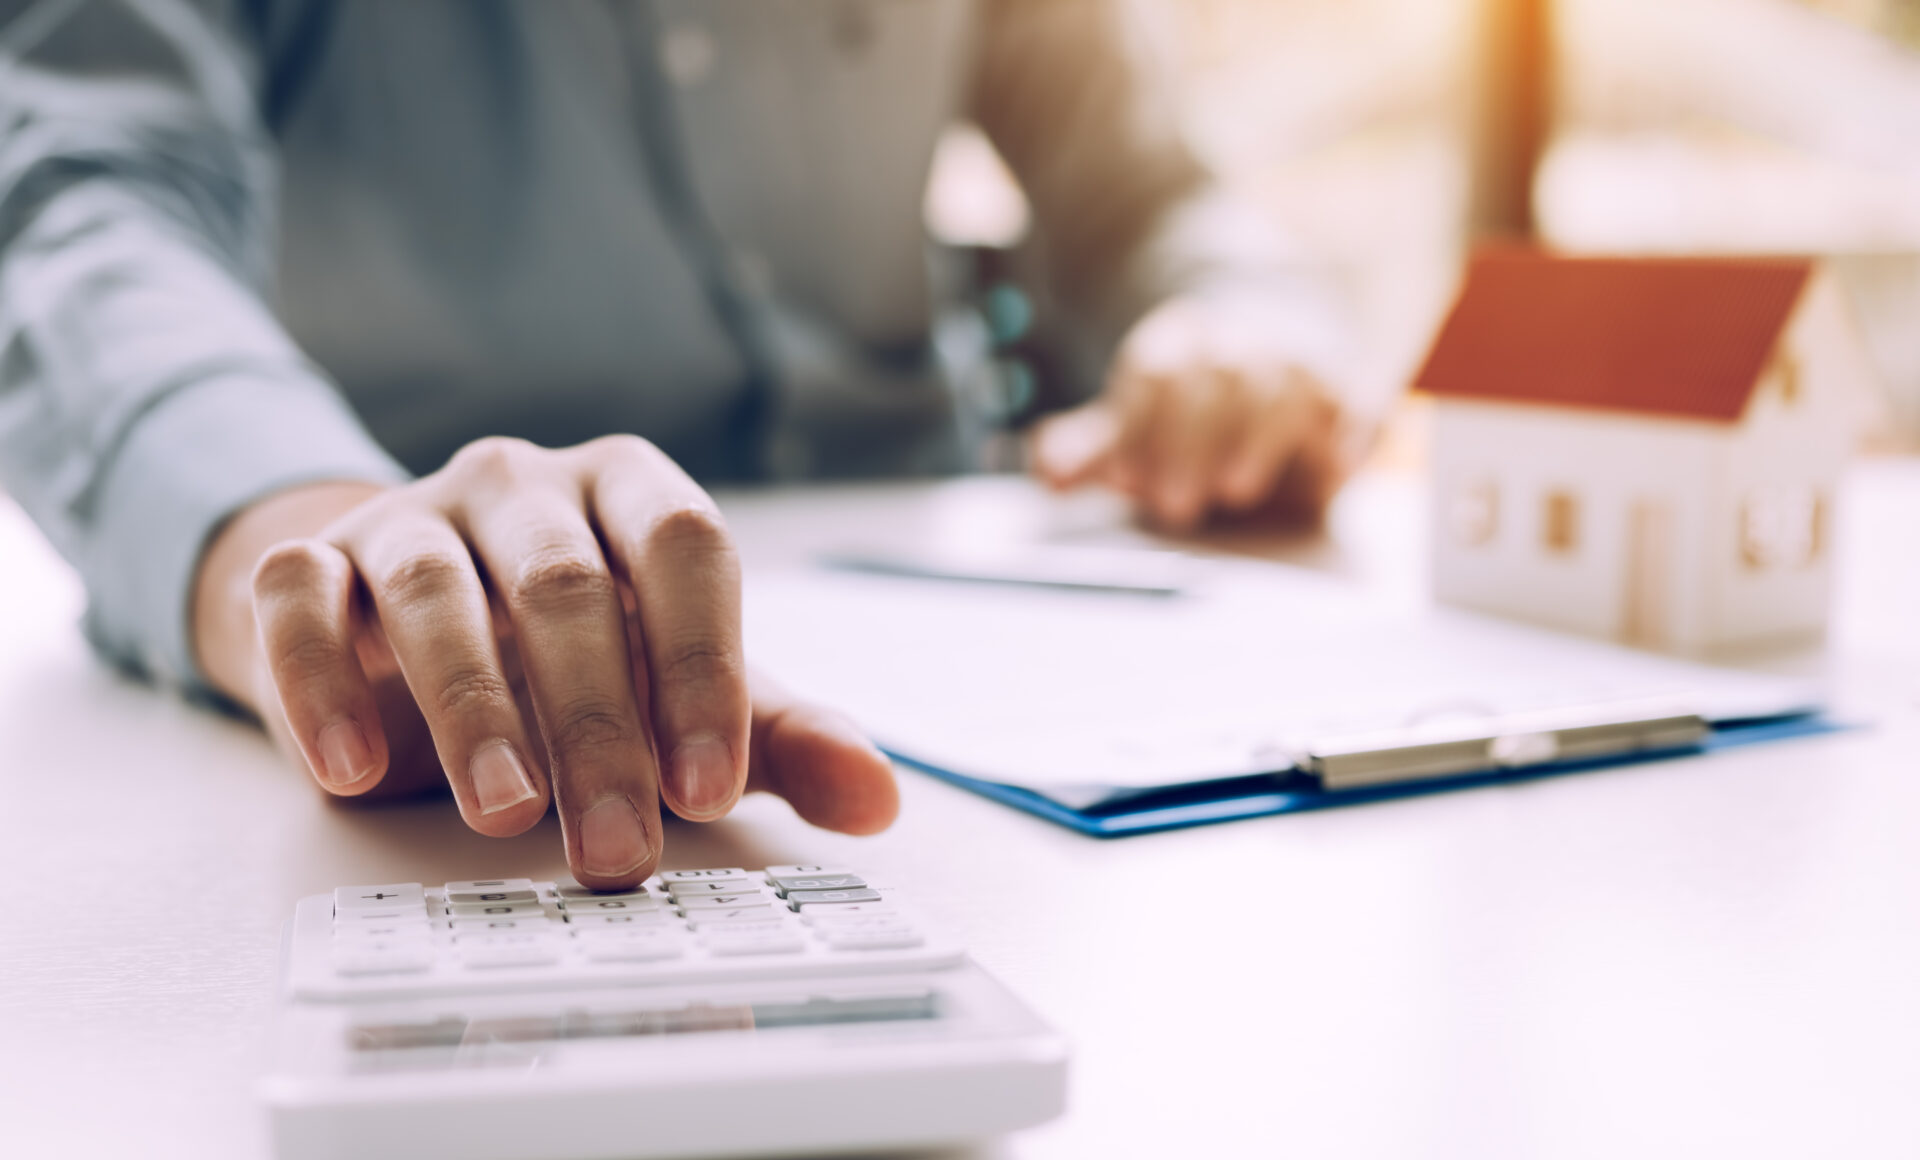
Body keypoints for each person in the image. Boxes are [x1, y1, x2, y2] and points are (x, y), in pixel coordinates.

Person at [0, 0, 1357, 889]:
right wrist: (311, 536)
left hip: (988, 633)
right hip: (480, 695)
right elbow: (79, 209)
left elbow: (1145, 192)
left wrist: (1238, 323)